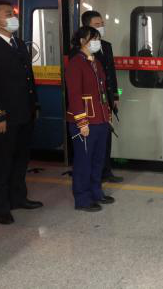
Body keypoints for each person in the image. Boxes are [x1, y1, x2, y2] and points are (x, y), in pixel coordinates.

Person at [0, 0, 43, 225]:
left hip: (24, 113)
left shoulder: (19, 43)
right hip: (4, 118)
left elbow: (28, 79)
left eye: (13, 13)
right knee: (1, 163)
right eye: (8, 14)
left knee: (20, 159)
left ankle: (18, 198)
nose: (13, 17)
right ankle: (0, 207)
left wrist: (34, 106)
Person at [65, 26, 115, 212]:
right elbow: (74, 95)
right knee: (83, 162)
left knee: (98, 160)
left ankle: (96, 192)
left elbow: (102, 91)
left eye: (97, 39)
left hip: (100, 119)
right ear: (82, 41)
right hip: (85, 121)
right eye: (92, 39)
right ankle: (82, 199)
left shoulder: (96, 63)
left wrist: (108, 115)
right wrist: (82, 122)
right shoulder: (75, 63)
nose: (96, 42)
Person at [81, 10, 123, 183]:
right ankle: (94, 176)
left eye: (102, 24)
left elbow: (111, 73)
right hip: (93, 104)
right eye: (97, 25)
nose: (101, 27)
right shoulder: (81, 50)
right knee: (94, 140)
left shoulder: (106, 45)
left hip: (107, 100)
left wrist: (115, 96)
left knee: (106, 135)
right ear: (87, 27)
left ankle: (106, 171)